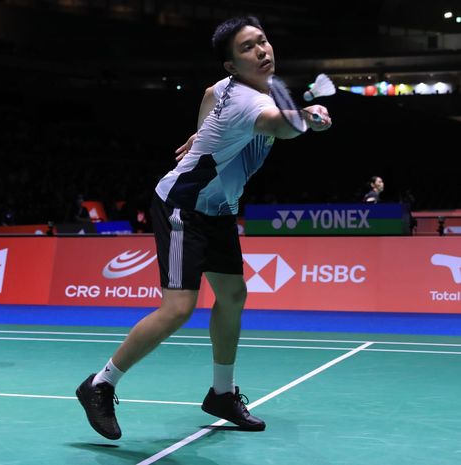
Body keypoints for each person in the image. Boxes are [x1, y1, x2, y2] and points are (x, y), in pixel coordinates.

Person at [76, 15, 331, 439]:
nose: (262, 50)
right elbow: (279, 127)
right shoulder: (250, 103)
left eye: (263, 41)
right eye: (248, 48)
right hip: (183, 206)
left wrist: (201, 136)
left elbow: (211, 94)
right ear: (232, 64)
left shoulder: (229, 87)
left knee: (232, 295)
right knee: (178, 308)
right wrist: (309, 116)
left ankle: (221, 394)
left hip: (218, 208)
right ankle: (99, 384)